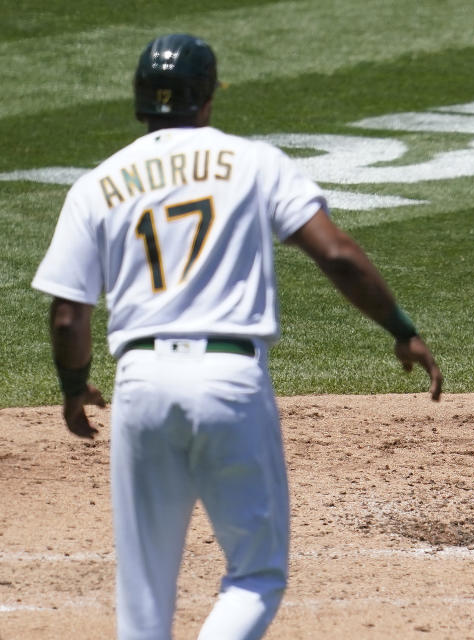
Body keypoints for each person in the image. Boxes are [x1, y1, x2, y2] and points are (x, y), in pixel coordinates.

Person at [31, 33, 442, 639]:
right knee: (255, 574)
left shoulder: (97, 185)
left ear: (141, 101)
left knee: (142, 594)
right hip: (229, 379)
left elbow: (69, 316)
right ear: (208, 98)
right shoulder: (254, 162)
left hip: (140, 386)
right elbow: (339, 256)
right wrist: (401, 330)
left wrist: (72, 387)